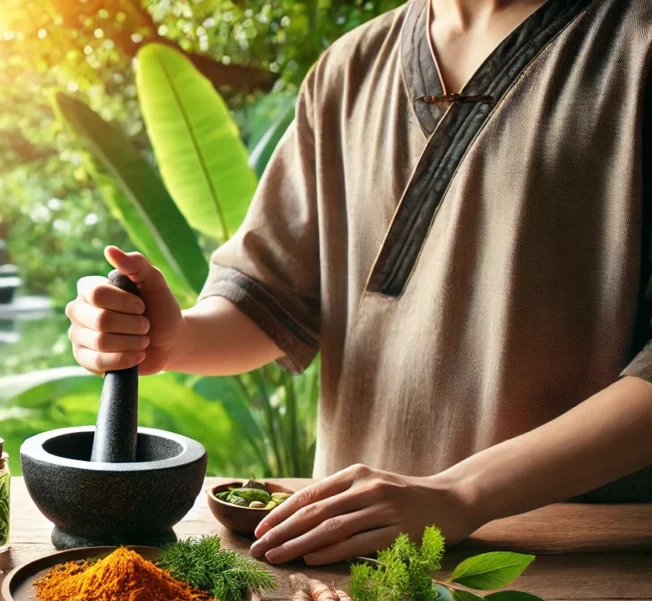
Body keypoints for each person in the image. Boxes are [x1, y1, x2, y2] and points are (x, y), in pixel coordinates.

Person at [66, 0, 652, 565]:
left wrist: (460, 494)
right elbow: (270, 299)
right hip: (341, 556)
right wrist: (174, 338)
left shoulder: (635, 46)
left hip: (573, 565)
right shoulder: (349, 69)